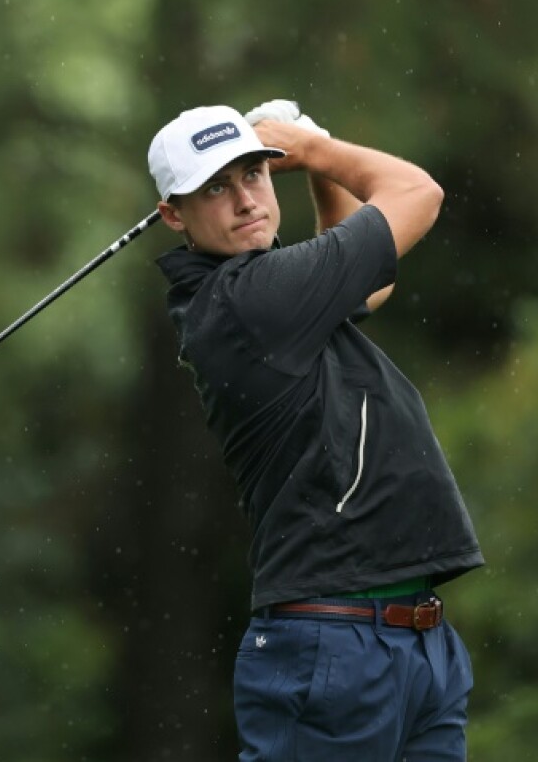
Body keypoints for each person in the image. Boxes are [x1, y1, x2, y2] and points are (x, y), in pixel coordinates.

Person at [147, 101, 484, 761]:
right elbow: (420, 193)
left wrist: (314, 173)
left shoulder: (273, 297)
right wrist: (310, 149)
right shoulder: (252, 302)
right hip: (334, 646)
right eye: (216, 186)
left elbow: (366, 287)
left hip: (408, 642)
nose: (246, 200)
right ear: (172, 215)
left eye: (254, 173)